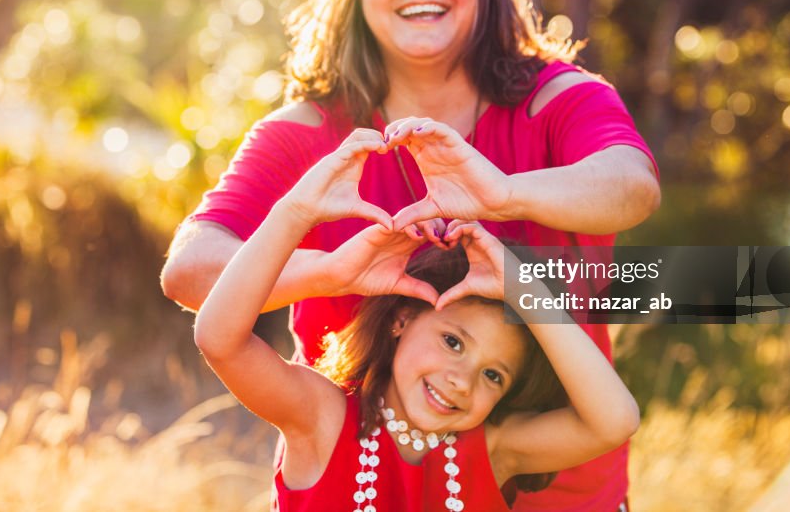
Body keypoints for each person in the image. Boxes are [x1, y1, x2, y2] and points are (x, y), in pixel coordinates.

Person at [163, 0, 660, 510]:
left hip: (565, 492)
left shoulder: (558, 98)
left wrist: (503, 195)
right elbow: (191, 273)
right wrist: (340, 272)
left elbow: (632, 185)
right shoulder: (307, 132)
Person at [193, 131, 640, 511]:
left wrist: (527, 293)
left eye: (492, 375)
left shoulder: (493, 450)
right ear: (401, 320)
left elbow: (614, 422)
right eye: (453, 342)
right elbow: (219, 340)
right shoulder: (322, 417)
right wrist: (300, 221)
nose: (462, 381)